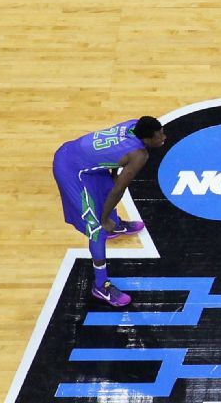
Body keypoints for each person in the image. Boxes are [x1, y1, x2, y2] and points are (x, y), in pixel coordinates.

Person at [52, 117, 168, 307]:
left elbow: (114, 160)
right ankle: (101, 286)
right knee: (97, 230)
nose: (164, 137)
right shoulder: (139, 155)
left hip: (76, 155)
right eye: (159, 135)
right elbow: (118, 190)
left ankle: (115, 225)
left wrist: (112, 175)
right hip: (70, 170)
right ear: (147, 139)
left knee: (106, 189)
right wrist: (104, 219)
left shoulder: (134, 124)